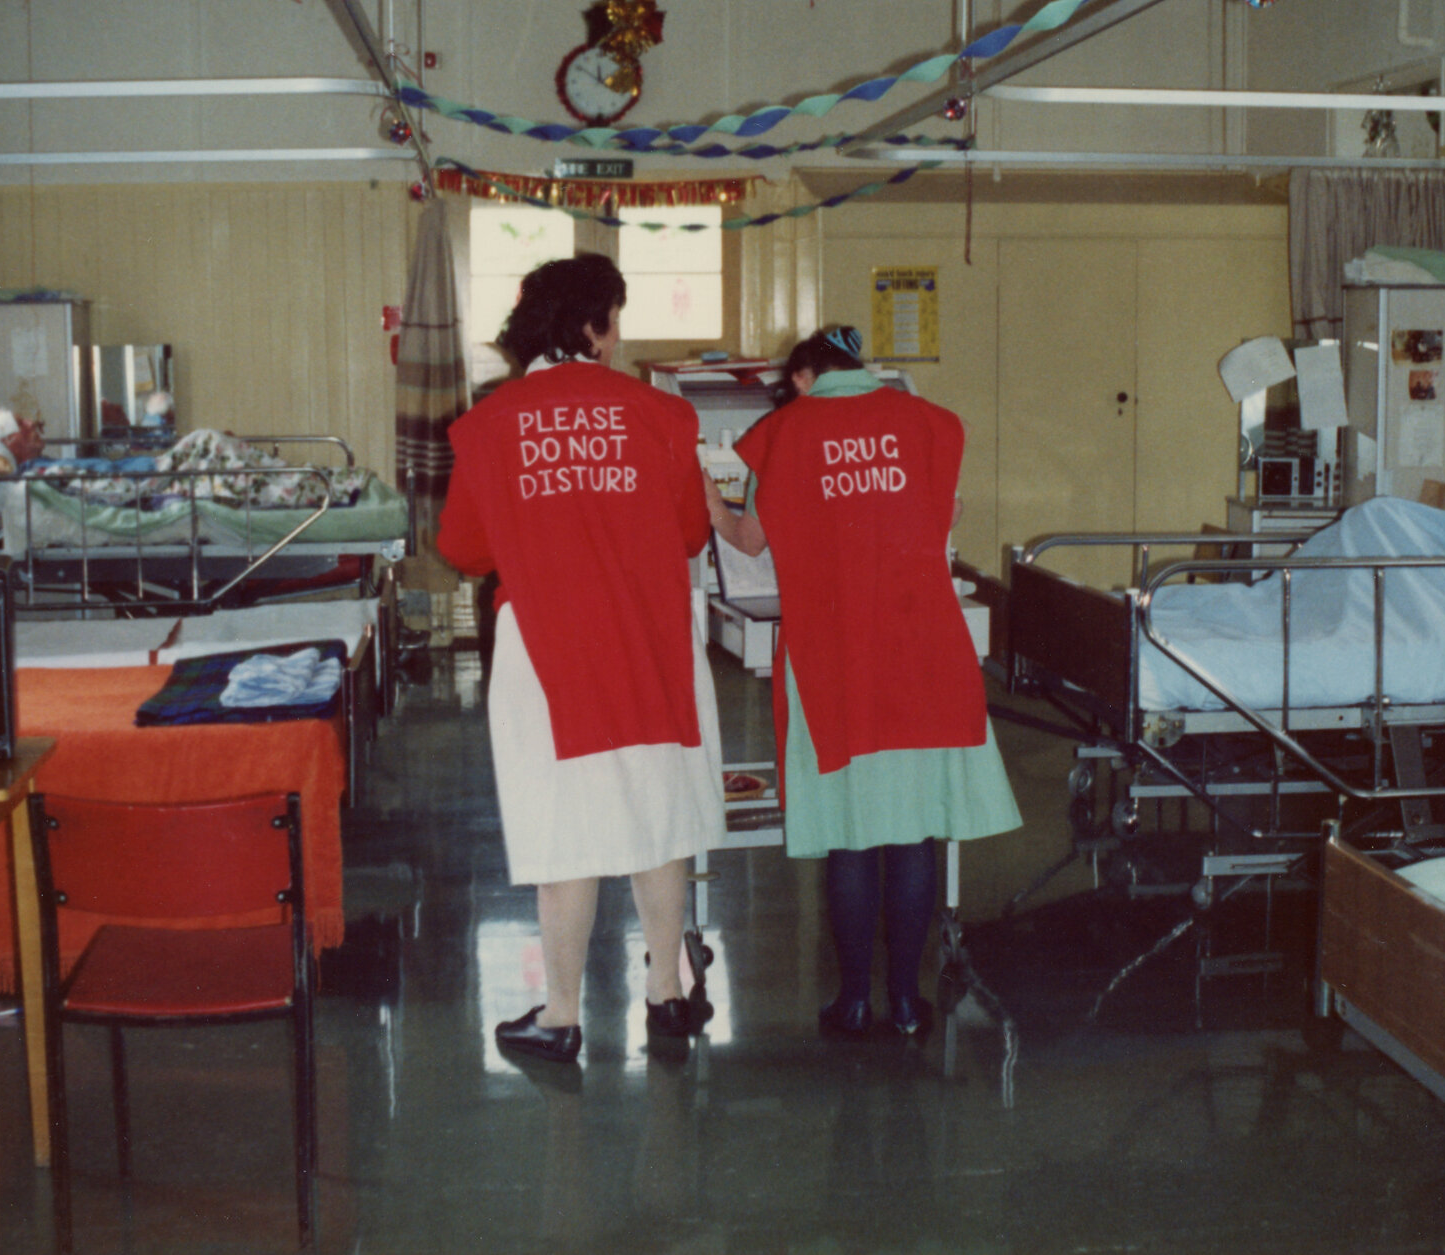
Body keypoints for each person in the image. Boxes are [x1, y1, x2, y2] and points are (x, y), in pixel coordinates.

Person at [436, 254, 725, 1065]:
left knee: (563, 828)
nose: (618, 336)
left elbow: (463, 547)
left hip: (548, 649)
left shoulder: (492, 421)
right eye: (616, 319)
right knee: (659, 819)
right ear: (593, 324)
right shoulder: (659, 414)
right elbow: (691, 535)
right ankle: (667, 997)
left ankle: (561, 1015)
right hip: (651, 639)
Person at [710, 328, 1021, 1040]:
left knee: (852, 839)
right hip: (923, 651)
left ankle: (853, 1001)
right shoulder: (928, 422)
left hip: (834, 656)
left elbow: (752, 539)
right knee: (911, 837)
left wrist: (708, 501)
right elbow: (946, 519)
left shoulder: (783, 433)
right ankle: (907, 1005)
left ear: (807, 374)